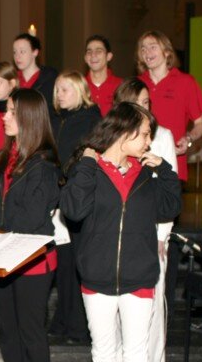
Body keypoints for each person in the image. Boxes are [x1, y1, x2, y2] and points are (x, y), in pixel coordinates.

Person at [60, 102, 181, 362]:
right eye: (145, 134)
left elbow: (170, 207)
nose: (149, 142)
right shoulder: (90, 169)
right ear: (125, 131)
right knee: (103, 352)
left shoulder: (145, 174)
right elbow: (73, 210)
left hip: (139, 278)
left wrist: (165, 170)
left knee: (136, 353)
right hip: (96, 277)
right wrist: (87, 164)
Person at [0, 88, 60, 362]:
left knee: (30, 332)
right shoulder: (2, 158)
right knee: (8, 331)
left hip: (31, 260)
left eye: (12, 112)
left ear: (29, 117)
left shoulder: (44, 164)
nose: (5, 117)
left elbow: (31, 218)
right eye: (6, 111)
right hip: (2, 257)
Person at [113, 77, 177, 362]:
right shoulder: (112, 138)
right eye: (137, 102)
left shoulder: (162, 137)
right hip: (118, 233)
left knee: (152, 308)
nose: (144, 107)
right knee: (117, 312)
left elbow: (170, 191)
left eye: (147, 102)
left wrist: (162, 235)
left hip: (151, 232)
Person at [48, 70, 101, 344]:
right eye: (57, 89)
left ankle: (79, 325)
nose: (59, 94)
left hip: (80, 201)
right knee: (64, 263)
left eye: (65, 89)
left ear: (80, 90)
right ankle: (63, 319)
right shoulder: (58, 119)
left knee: (78, 263)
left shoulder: (91, 120)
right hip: (59, 200)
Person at [136, 30, 202, 182]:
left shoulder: (186, 82)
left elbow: (200, 123)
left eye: (152, 47)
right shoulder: (136, 84)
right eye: (143, 49)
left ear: (167, 52)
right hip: (139, 165)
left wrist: (188, 138)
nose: (147, 52)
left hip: (172, 162)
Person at [13, 33, 58, 110]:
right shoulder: (12, 79)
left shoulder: (50, 78)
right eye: (14, 52)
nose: (17, 56)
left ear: (35, 52)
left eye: (22, 51)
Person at [84, 35, 122, 117]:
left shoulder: (121, 86)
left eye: (98, 51)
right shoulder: (79, 86)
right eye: (89, 52)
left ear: (109, 56)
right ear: (85, 58)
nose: (93, 55)